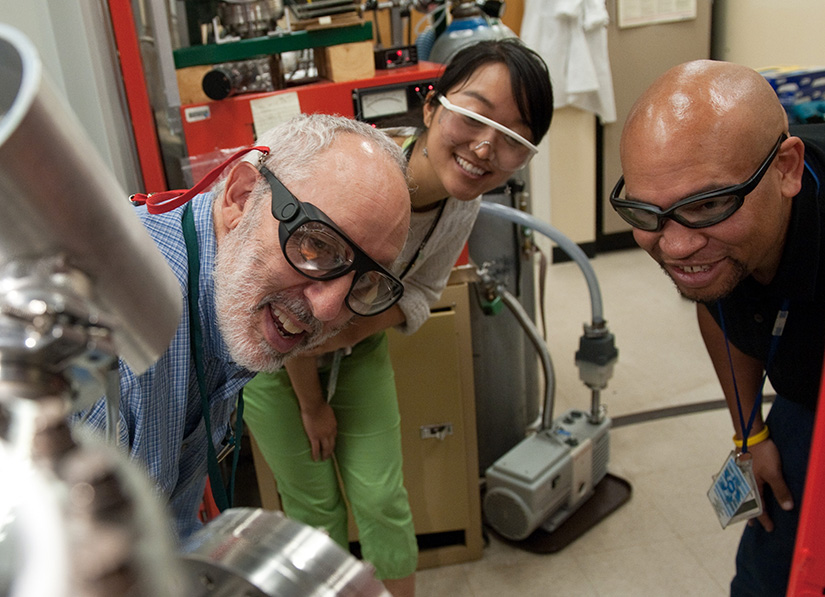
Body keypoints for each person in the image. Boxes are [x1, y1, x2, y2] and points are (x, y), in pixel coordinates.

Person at [243, 39, 554, 597]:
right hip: (276, 358)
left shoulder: (464, 207)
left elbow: (423, 291)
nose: (486, 149)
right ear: (432, 107)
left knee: (382, 498)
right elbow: (293, 306)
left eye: (512, 139)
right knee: (314, 505)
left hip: (356, 352)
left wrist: (358, 329)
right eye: (476, 117)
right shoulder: (358, 177)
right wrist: (312, 406)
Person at [75, 113, 412, 541]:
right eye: (317, 245)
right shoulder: (116, 322)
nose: (328, 309)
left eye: (364, 281)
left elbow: (164, 525)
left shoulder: (226, 301)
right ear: (241, 195)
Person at [610, 59, 825, 595]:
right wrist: (749, 434)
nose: (676, 246)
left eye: (708, 204)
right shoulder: (714, 244)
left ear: (787, 170)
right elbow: (715, 307)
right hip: (800, 388)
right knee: (765, 569)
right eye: (647, 212)